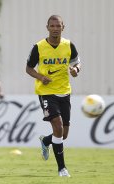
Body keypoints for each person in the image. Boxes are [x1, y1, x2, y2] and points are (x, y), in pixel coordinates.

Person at [26, 15, 81, 177]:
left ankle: (46, 141)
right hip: (46, 93)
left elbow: (77, 62)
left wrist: (76, 70)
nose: (55, 28)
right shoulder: (39, 47)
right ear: (47, 27)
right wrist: (40, 77)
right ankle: (62, 169)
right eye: (52, 26)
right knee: (57, 126)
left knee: (63, 134)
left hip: (64, 91)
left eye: (58, 26)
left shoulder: (69, 45)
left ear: (63, 27)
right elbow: (28, 68)